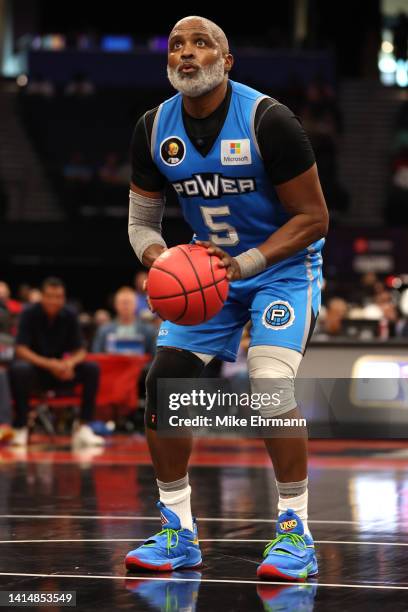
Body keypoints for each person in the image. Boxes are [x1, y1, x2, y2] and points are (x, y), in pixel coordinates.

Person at [126, 16, 328, 581]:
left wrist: (247, 263)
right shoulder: (152, 127)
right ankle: (178, 530)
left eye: (201, 43)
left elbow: (314, 218)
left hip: (282, 270)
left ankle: (295, 531)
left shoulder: (270, 120)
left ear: (226, 60)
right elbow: (142, 224)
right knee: (164, 383)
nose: (186, 53)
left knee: (268, 386)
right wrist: (160, 260)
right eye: (176, 45)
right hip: (207, 270)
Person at [8, 277, 103, 448]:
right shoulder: (29, 313)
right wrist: (49, 364)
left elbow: (81, 350)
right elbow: (20, 349)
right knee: (18, 369)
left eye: (58, 296)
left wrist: (69, 364)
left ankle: (82, 426)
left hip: (61, 373)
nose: (54, 300)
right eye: (50, 296)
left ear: (63, 298)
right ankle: (21, 426)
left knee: (91, 369)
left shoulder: (70, 315)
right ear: (42, 297)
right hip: (36, 372)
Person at [92, 286, 156, 355]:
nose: (126, 306)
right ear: (115, 305)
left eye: (128, 302)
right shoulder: (103, 331)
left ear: (136, 304)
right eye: (123, 302)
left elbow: (154, 358)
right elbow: (97, 356)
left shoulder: (148, 331)